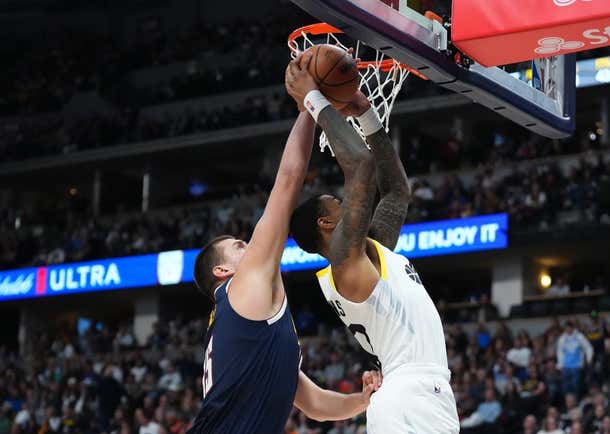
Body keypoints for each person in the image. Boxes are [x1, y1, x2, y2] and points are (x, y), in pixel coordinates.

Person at [189, 58, 382, 434]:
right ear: (222, 272)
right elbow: (289, 179)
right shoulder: (243, 290)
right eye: (240, 245)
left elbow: (315, 405)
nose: (253, 245)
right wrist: (311, 102)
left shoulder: (249, 330)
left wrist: (362, 401)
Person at [286, 55, 459, 433]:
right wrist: (315, 99)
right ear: (327, 223)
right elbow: (361, 165)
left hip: (422, 392)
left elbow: (396, 193)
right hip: (410, 396)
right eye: (340, 202)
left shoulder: (368, 254)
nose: (353, 203)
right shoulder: (345, 264)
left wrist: (366, 113)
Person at [557, 321, 593, 397]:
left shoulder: (579, 337)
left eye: (569, 328)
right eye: (566, 328)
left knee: (576, 387)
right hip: (566, 366)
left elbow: (588, 348)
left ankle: (576, 402)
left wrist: (588, 359)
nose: (568, 329)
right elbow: (559, 352)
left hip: (577, 366)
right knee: (566, 388)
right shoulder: (562, 338)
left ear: (572, 328)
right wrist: (560, 364)